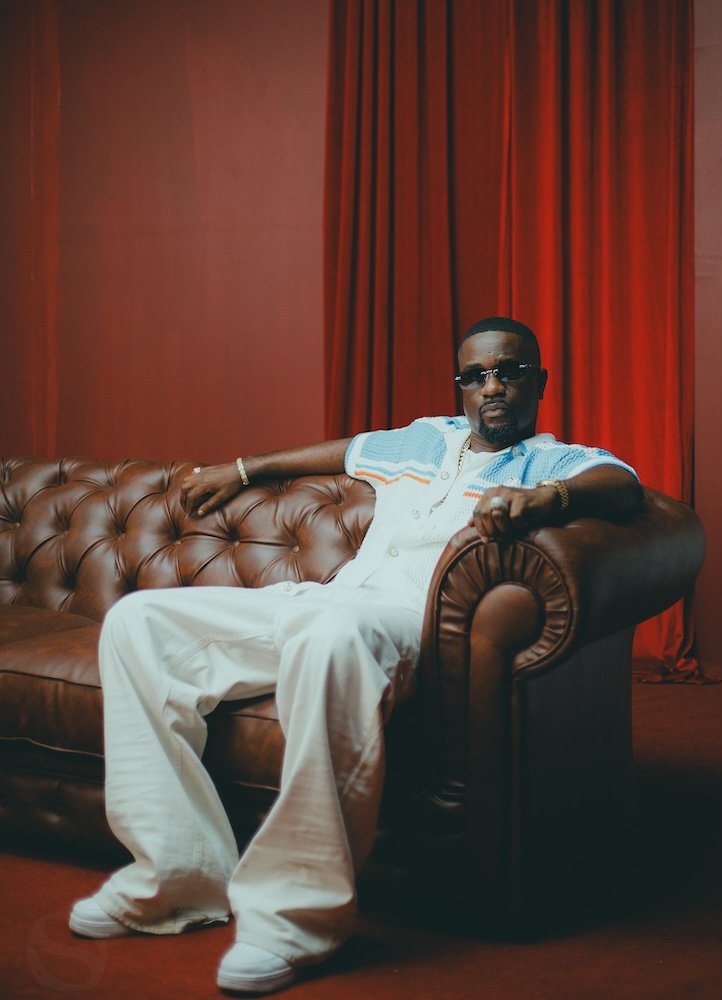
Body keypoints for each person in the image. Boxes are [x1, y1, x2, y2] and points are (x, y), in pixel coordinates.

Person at [68, 317, 642, 995]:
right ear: (461, 386)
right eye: (476, 375)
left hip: (403, 624)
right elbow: (343, 451)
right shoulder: (423, 439)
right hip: (329, 599)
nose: (493, 386)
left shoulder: (553, 461)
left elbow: (625, 485)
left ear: (538, 382)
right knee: (138, 622)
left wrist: (546, 499)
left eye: (510, 372)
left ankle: (294, 919)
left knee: (330, 639)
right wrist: (242, 469)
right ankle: (175, 875)